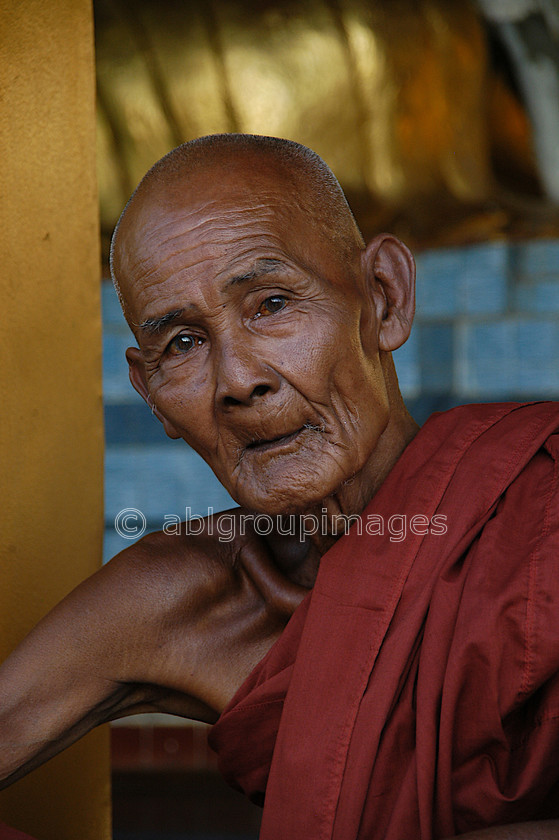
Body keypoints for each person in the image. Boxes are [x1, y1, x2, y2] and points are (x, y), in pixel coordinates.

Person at [0, 134, 558, 840]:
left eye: (270, 304)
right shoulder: (188, 596)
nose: (237, 380)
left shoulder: (542, 507)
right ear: (149, 395)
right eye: (182, 344)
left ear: (382, 298)